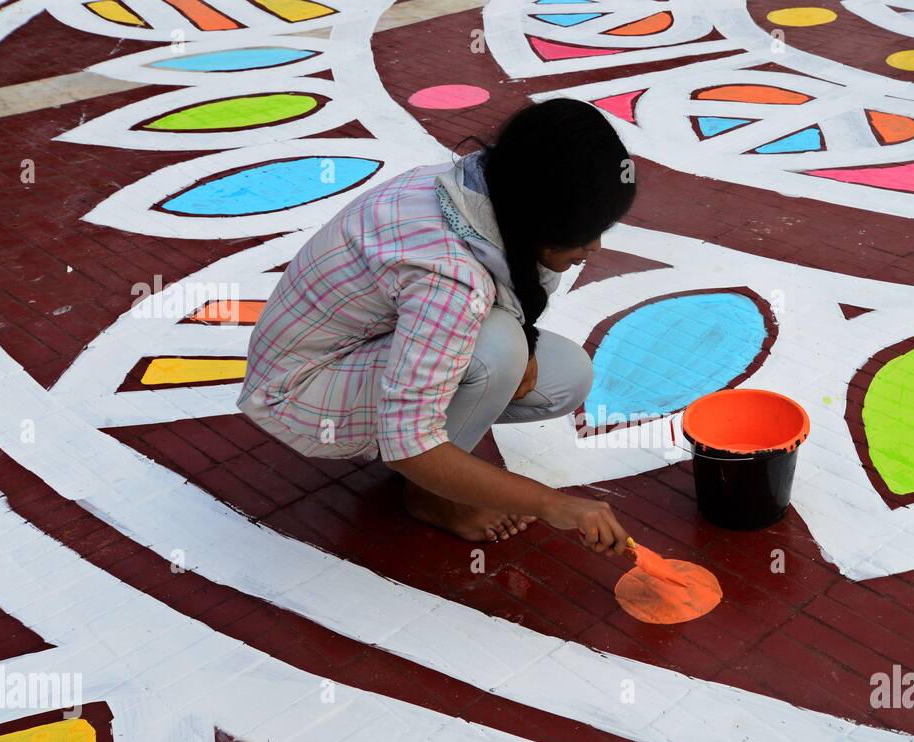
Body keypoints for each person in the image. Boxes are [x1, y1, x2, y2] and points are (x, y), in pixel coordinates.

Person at [237, 99, 634, 552]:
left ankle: (442, 463)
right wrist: (553, 504)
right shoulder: (449, 277)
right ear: (539, 217)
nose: (595, 245)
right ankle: (431, 496)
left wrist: (523, 334)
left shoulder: (479, 189)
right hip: (298, 392)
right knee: (497, 352)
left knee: (565, 375)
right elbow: (408, 439)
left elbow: (507, 286)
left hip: (355, 349)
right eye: (585, 231)